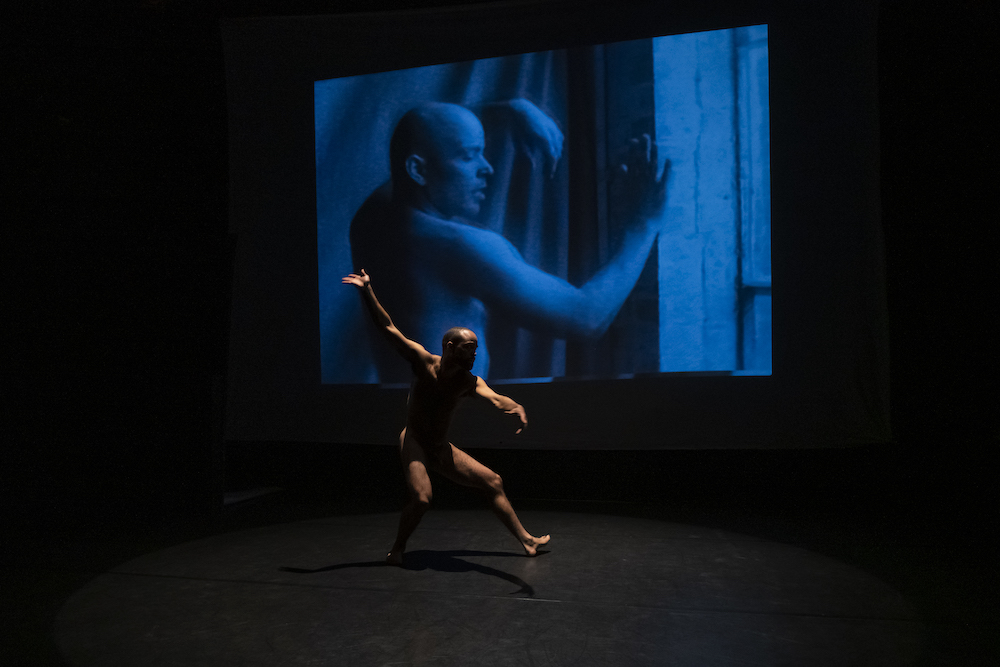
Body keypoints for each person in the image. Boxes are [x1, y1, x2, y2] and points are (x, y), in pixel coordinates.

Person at [349, 101, 667, 383]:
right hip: (453, 430)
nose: (487, 168)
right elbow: (586, 317)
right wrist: (645, 222)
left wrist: (510, 110)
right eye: (469, 155)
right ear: (418, 169)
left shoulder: (370, 219)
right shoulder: (460, 246)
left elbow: (413, 151)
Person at [343, 269, 550, 565]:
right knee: (423, 498)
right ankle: (397, 549)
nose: (475, 354)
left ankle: (527, 541)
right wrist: (367, 290)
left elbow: (494, 398)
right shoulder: (424, 362)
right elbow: (387, 327)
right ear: (450, 348)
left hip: (440, 447)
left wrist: (514, 406)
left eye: (476, 349)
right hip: (414, 440)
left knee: (493, 481)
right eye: (469, 348)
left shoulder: (469, 382)